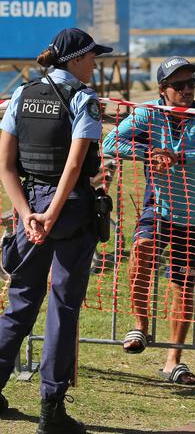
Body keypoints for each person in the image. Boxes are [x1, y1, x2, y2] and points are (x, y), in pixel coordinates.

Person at [0, 27, 112, 433]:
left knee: (21, 301)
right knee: (63, 308)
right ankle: (52, 409)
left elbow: (6, 166)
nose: (95, 63)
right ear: (77, 59)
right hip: (69, 212)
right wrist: (51, 214)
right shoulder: (83, 99)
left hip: (27, 207)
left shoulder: (21, 96)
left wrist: (28, 214)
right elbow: (75, 166)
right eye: (92, 57)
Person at [102, 56, 195, 385]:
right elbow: (110, 142)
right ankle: (140, 325)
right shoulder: (147, 113)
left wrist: (182, 156)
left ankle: (173, 359)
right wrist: (149, 152)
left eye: (192, 83)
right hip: (155, 206)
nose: (188, 90)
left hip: (192, 213)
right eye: (179, 85)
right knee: (141, 252)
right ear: (162, 89)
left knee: (183, 284)